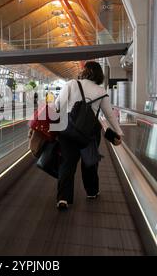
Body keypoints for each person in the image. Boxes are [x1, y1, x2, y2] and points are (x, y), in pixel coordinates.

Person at [54, 61, 123, 210]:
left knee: (67, 163)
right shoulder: (100, 90)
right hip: (89, 132)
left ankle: (63, 198)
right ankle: (92, 192)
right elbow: (109, 115)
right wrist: (118, 132)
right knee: (89, 161)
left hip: (67, 129)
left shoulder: (71, 84)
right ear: (99, 74)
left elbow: (58, 105)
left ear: (84, 71)